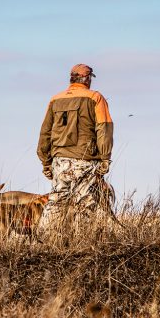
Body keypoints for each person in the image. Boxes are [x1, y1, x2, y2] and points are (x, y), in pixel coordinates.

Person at [36, 63, 114, 236]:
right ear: (87, 79)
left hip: (59, 162)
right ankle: (81, 247)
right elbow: (104, 130)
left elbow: (45, 133)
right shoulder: (95, 98)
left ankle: (44, 245)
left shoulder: (55, 99)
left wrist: (46, 163)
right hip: (84, 161)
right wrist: (105, 158)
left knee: (55, 203)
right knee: (85, 204)